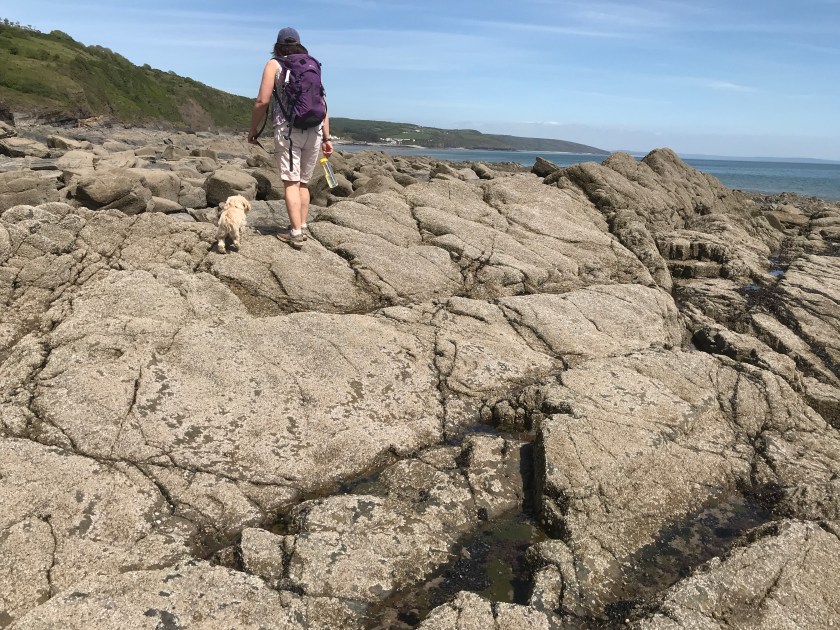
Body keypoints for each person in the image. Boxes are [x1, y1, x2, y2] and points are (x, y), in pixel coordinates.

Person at [247, 27, 333, 249]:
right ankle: (301, 225)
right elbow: (322, 102)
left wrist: (253, 129)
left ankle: (295, 233)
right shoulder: (312, 64)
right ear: (298, 44)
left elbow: (262, 101)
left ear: (278, 45)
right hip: (314, 129)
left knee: (291, 182)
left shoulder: (274, 64)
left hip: (288, 129)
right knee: (303, 182)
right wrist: (327, 138)